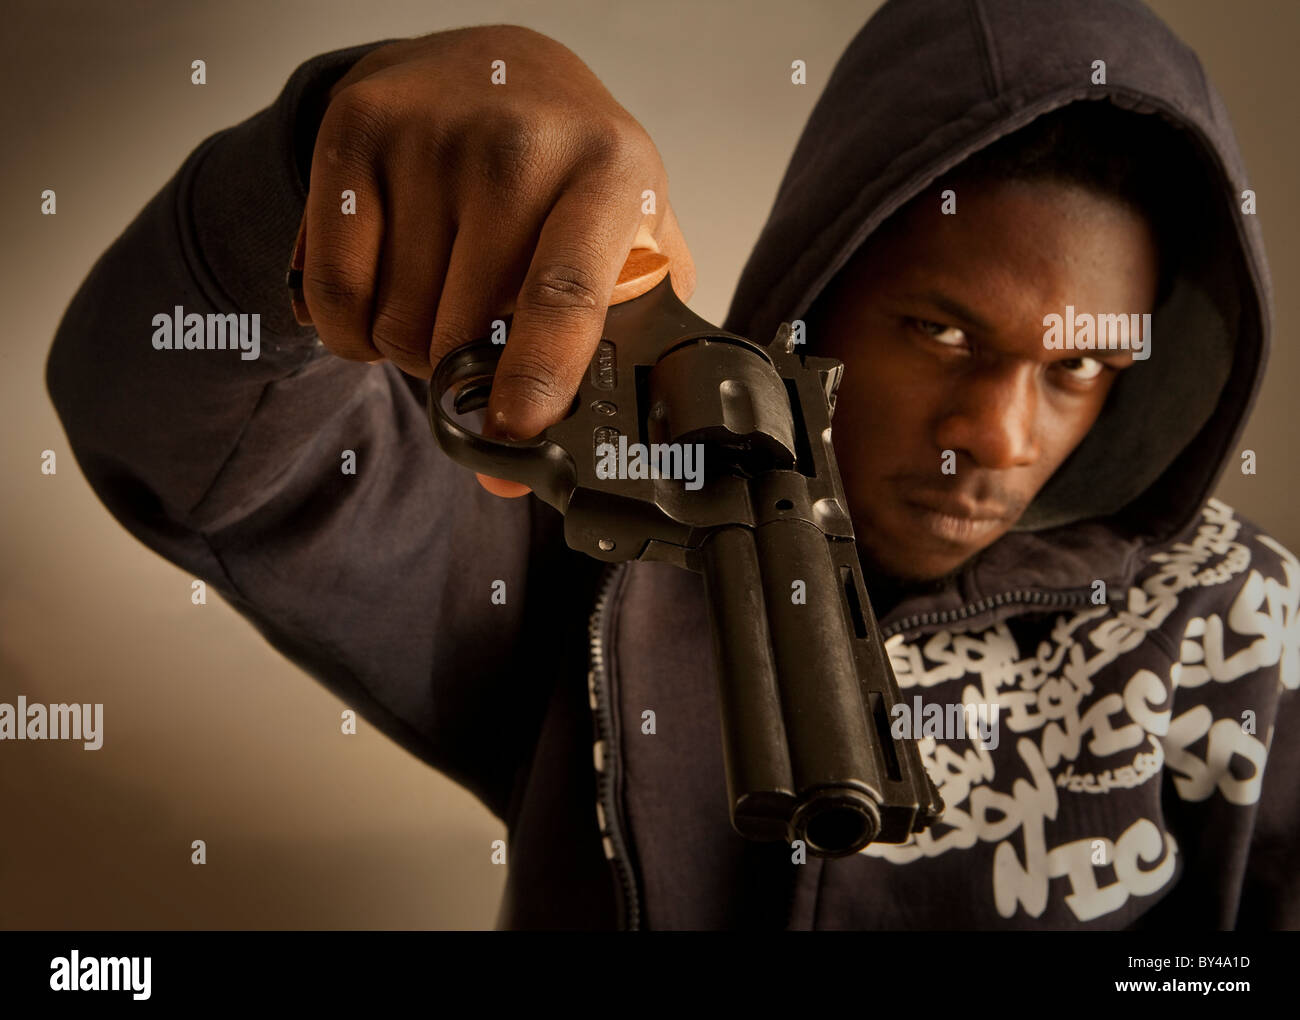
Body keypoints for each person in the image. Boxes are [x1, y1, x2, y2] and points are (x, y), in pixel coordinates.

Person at [45, 0, 1296, 930]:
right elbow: (152, 412)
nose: (1001, 436)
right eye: (940, 332)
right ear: (811, 312)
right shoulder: (593, 568)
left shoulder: (1244, 623)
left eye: (1073, 367)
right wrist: (311, 170)